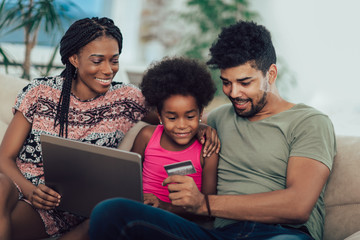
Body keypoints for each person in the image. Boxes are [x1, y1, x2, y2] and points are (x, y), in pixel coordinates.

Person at [88, 20, 336, 240]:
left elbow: (298, 206)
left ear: (270, 74)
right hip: (218, 234)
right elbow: (174, 114)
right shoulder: (217, 119)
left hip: (280, 233)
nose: (233, 93)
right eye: (226, 82)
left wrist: (203, 203)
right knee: (110, 212)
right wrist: (199, 126)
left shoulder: (309, 122)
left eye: (245, 82)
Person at [0, 16, 219, 240]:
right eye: (97, 61)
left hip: (62, 206)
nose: (108, 70)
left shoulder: (127, 98)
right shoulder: (40, 92)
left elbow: (172, 111)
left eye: (114, 60)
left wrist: (201, 126)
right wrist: (30, 191)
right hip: (21, 186)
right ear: (74, 59)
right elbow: (4, 157)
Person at [131, 57, 218, 219]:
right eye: (172, 118)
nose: (182, 125)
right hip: (139, 214)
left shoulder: (207, 149)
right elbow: (126, 179)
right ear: (159, 115)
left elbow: (208, 206)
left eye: (190, 116)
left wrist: (165, 206)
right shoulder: (146, 136)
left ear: (200, 112)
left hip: (181, 223)